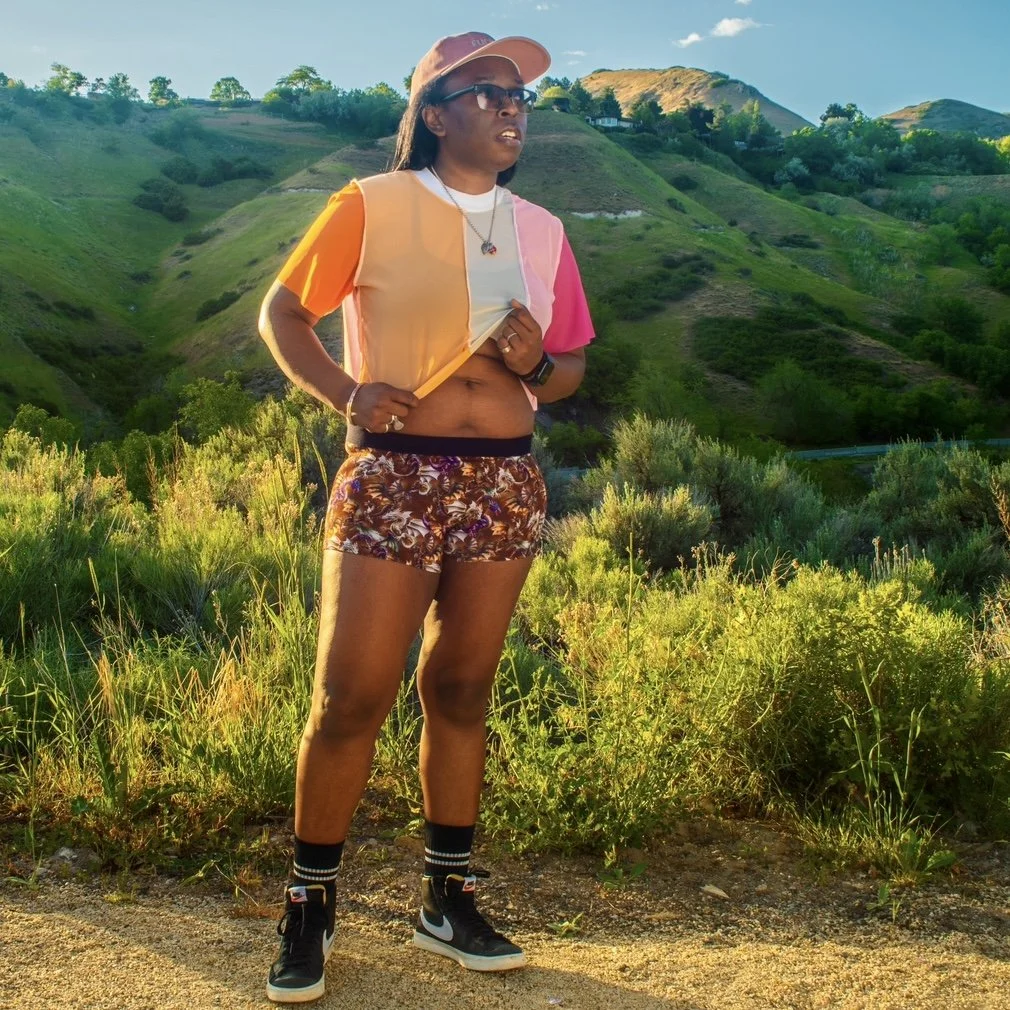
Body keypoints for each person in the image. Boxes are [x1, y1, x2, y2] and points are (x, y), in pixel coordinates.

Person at [257, 30, 595, 1004]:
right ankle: (308, 903)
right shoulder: (368, 205)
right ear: (435, 111)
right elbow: (284, 312)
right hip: (395, 473)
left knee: (458, 690)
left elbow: (570, 365)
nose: (509, 108)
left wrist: (536, 365)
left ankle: (448, 898)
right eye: (486, 91)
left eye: (521, 96)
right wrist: (345, 391)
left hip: (502, 478)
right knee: (351, 693)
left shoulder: (541, 230)